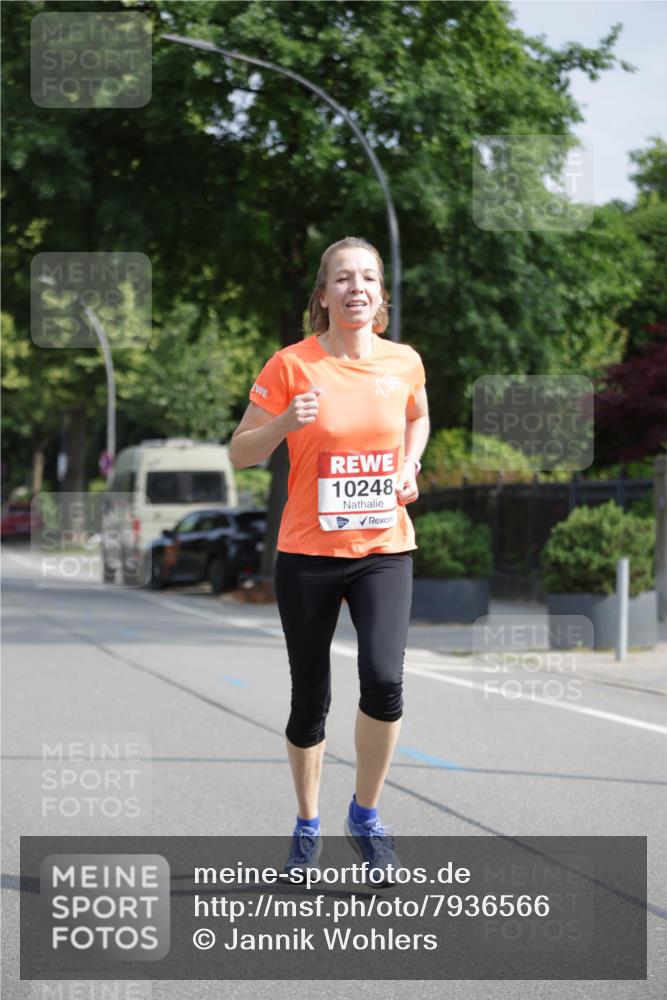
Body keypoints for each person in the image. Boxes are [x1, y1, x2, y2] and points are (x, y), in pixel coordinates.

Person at [230, 236, 430, 884]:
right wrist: (285, 420)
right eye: (342, 279)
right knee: (309, 697)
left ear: (380, 295)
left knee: (384, 679)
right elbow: (240, 452)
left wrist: (409, 462)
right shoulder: (291, 364)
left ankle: (365, 815)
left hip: (382, 548)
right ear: (323, 296)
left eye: (367, 278)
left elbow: (418, 416)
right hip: (307, 553)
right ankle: (307, 823)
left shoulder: (403, 362)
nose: (356, 288)